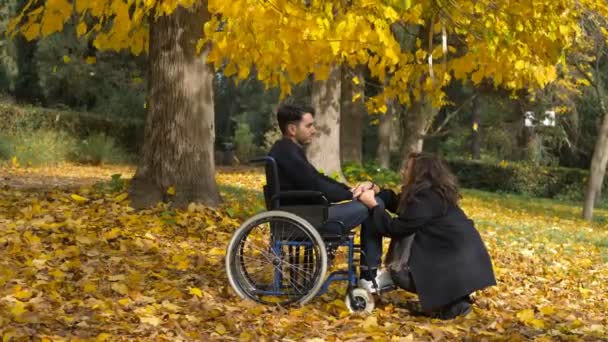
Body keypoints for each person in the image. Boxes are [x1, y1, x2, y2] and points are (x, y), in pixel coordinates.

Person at [268, 104, 393, 291]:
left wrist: (349, 191)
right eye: (309, 126)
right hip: (305, 219)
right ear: (292, 129)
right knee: (371, 206)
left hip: (307, 214)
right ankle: (369, 275)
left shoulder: (288, 151)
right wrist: (351, 195)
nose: (314, 130)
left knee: (374, 201)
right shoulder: (286, 153)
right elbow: (315, 185)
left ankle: (369, 274)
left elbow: (317, 179)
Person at [358, 152, 496, 319]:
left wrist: (373, 206)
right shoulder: (431, 193)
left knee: (398, 274)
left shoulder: (425, 199)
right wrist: (378, 190)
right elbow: (402, 207)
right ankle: (452, 301)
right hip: (464, 262)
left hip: (456, 264)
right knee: (404, 270)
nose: (403, 171)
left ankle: (454, 305)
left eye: (407, 168)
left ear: (419, 173)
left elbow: (396, 228)